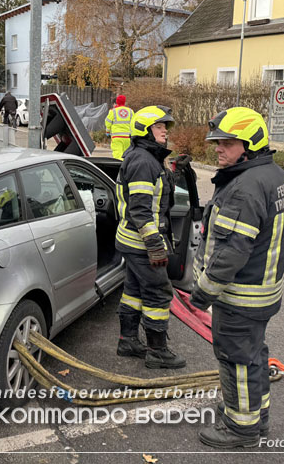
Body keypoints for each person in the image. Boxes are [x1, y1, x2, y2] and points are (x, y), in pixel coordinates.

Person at [190, 107, 284, 449]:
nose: (217, 148)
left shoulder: (244, 188)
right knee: (253, 355)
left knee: (236, 361)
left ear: (249, 145)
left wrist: (202, 293)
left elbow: (231, 251)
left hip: (240, 297)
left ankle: (241, 428)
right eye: (216, 142)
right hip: (263, 293)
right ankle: (254, 413)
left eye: (226, 143)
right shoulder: (272, 175)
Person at [115, 105, 186, 370]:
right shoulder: (144, 162)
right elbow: (141, 210)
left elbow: (155, 195)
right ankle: (157, 352)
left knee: (133, 291)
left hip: (131, 241)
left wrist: (175, 173)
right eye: (159, 127)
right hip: (142, 243)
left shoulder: (144, 156)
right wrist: (155, 245)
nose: (165, 131)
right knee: (157, 293)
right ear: (145, 130)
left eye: (165, 127)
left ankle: (128, 341)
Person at [105, 95, 134, 160]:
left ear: (117, 102)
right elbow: (133, 123)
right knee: (127, 155)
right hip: (127, 137)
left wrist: (107, 131)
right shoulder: (130, 111)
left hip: (117, 137)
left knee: (117, 155)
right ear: (124, 102)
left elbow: (108, 122)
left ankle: (118, 168)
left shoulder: (113, 111)